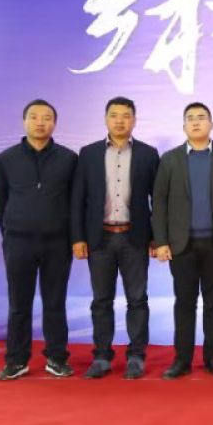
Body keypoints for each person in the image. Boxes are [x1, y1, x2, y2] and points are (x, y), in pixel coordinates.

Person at [70, 96, 160, 379]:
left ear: (134, 120)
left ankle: (136, 356)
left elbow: (157, 200)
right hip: (100, 239)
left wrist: (156, 237)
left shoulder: (148, 154)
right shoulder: (89, 153)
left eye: (126, 115)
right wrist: (78, 238)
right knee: (101, 300)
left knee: (137, 300)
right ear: (106, 119)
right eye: (114, 115)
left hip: (135, 237)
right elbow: (78, 199)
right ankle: (101, 356)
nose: (120, 121)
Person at [0, 99, 78, 380]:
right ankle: (17, 360)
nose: (40, 122)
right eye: (34, 117)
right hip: (19, 243)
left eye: (47, 117)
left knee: (55, 302)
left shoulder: (69, 158)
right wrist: (12, 231)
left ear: (55, 123)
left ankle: (57, 358)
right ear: (24, 121)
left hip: (57, 243)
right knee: (19, 304)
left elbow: (75, 202)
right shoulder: (6, 158)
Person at [153, 102, 213, 379]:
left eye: (201, 118)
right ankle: (182, 360)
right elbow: (159, 202)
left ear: (211, 124)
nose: (196, 122)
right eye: (190, 118)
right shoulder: (170, 159)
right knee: (184, 303)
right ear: (184, 126)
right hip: (182, 245)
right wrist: (160, 241)